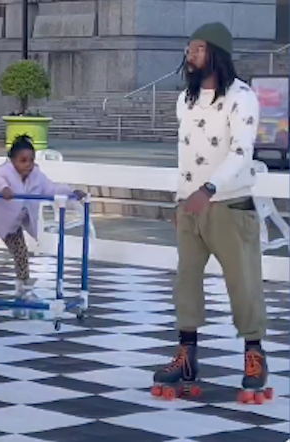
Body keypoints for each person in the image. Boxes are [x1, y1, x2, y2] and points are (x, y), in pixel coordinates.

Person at [151, 22, 270, 404]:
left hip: (230, 206)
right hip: (190, 208)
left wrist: (209, 189)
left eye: (199, 48)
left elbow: (241, 151)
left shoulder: (242, 97)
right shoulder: (184, 100)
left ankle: (254, 355)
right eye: (189, 48)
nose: (190, 55)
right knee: (186, 282)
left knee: (243, 284)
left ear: (217, 54)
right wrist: (182, 199)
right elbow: (185, 155)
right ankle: (186, 357)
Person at [0, 135, 85, 303]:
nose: (28, 165)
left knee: (21, 253)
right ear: (12, 160)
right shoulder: (5, 172)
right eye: (23, 160)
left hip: (12, 223)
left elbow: (52, 188)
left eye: (31, 160)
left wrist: (71, 192)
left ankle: (23, 289)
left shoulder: (36, 176)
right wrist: (5, 189)